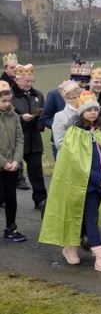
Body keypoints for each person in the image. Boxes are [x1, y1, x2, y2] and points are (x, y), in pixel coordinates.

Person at [39, 91, 101, 272]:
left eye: (95, 109)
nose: (93, 113)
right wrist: (98, 179)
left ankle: (70, 248)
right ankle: (100, 257)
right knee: (91, 218)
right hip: (86, 186)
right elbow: (76, 163)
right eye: (89, 109)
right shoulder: (74, 134)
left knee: (86, 218)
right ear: (81, 111)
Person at [10, 64, 47, 212]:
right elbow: (7, 117)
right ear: (17, 80)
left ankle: (40, 199)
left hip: (34, 139)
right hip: (15, 140)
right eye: (25, 81)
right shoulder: (10, 95)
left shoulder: (37, 95)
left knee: (36, 171)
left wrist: (38, 120)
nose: (28, 84)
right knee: (11, 172)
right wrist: (21, 118)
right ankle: (6, 198)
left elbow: (43, 115)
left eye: (31, 81)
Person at [40, 61, 92, 160]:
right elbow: (44, 118)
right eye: (81, 82)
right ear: (73, 80)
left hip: (83, 143)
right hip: (61, 141)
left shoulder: (85, 94)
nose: (84, 85)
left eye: (86, 83)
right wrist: (59, 127)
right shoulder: (54, 94)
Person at [0, 80, 26, 242]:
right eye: (3, 101)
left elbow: (20, 138)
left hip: (12, 165)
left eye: (8, 101)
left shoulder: (13, 116)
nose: (6, 104)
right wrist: (3, 162)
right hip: (1, 165)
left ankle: (11, 228)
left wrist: (16, 160)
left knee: (11, 197)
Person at [51, 80, 84, 150]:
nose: (78, 100)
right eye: (74, 97)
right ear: (65, 99)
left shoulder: (85, 112)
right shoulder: (59, 116)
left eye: (79, 96)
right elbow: (59, 144)